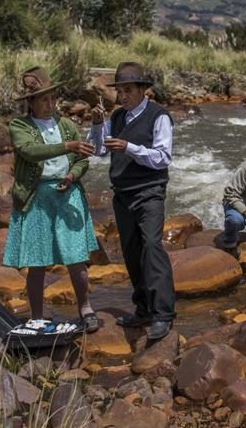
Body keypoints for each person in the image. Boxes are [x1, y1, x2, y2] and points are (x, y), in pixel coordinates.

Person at [3, 66, 101, 334]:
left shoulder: (66, 125)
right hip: (36, 197)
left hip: (66, 193)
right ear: (31, 102)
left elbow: (82, 161)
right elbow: (30, 151)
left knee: (75, 257)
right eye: (44, 99)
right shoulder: (19, 125)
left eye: (53, 98)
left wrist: (72, 174)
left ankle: (86, 308)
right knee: (37, 260)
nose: (50, 104)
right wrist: (67, 147)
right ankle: (37, 316)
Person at [89, 62, 175, 340]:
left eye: (127, 90)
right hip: (122, 193)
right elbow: (100, 151)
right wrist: (96, 124)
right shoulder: (115, 117)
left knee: (152, 247)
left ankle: (163, 314)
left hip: (150, 191)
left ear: (142, 90)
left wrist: (130, 148)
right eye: (119, 91)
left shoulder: (159, 116)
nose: (122, 96)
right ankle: (143, 310)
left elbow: (163, 157)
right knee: (131, 251)